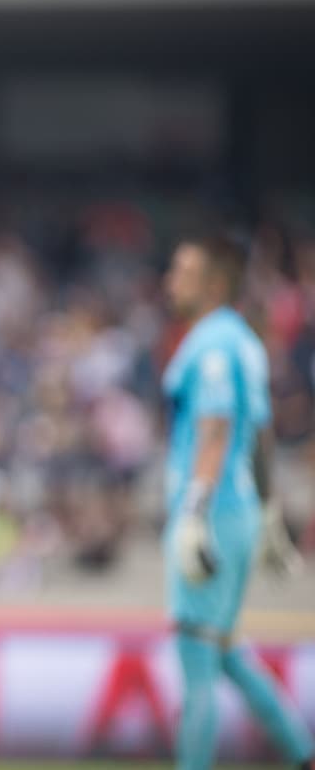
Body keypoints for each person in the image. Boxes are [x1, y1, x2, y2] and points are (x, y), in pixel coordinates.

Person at [162, 233, 313, 770]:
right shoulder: (246, 342)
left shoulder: (211, 345)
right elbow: (263, 436)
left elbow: (216, 427)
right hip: (241, 509)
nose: (169, 281)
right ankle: (302, 756)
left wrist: (194, 512)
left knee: (196, 660)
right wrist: (270, 511)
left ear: (215, 283)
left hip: (214, 512)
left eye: (181, 271)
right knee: (226, 648)